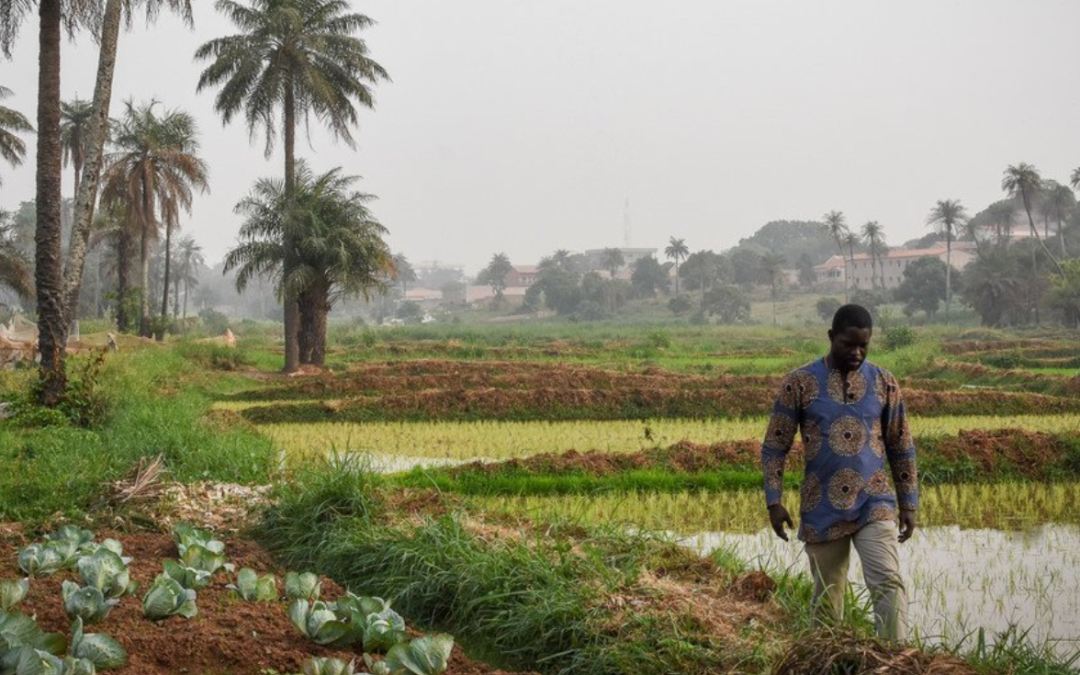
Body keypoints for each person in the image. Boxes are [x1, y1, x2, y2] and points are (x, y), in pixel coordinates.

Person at [761, 304, 916, 640]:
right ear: (831, 337)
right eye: (848, 344)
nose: (857, 352)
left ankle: (895, 659)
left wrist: (909, 504)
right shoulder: (800, 383)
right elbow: (775, 444)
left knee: (887, 580)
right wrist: (774, 500)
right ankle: (828, 658)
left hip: (874, 501)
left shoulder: (885, 383)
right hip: (822, 505)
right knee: (828, 594)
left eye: (864, 345)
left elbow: (900, 444)